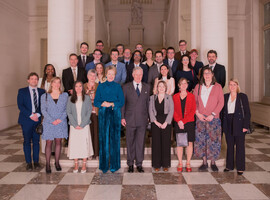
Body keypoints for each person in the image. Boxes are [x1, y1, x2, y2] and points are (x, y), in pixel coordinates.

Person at [94, 66, 125, 173]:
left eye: (113, 74)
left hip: (115, 112)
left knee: (115, 139)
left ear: (115, 75)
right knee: (103, 139)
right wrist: (103, 103)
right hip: (103, 113)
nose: (111, 76)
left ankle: (115, 165)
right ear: (106, 74)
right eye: (109, 74)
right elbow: (96, 102)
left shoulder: (118, 87)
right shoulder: (101, 86)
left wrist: (112, 103)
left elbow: (121, 102)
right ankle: (104, 165)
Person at [193, 67, 224, 172]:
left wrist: (213, 114)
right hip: (201, 118)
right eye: (205, 73)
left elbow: (221, 102)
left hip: (213, 118)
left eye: (209, 73)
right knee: (202, 141)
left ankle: (213, 162)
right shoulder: (198, 87)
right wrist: (198, 113)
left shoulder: (218, 87)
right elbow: (194, 102)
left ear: (212, 74)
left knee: (213, 140)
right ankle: (205, 162)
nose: (207, 75)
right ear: (202, 75)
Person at [121, 67, 150, 173]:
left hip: (142, 119)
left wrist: (149, 117)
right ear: (133, 75)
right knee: (130, 141)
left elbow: (148, 103)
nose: (138, 77)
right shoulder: (126, 87)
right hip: (129, 119)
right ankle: (130, 164)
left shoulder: (147, 87)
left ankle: (139, 164)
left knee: (140, 142)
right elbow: (122, 103)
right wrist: (122, 117)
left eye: (140, 75)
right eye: (136, 74)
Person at [17, 72, 45, 170]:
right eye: (32, 79)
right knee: (27, 141)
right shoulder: (22, 91)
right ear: (28, 80)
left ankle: (36, 162)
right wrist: (30, 115)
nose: (34, 80)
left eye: (36, 79)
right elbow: (20, 105)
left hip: (37, 120)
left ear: (38, 81)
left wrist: (38, 115)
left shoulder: (42, 91)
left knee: (36, 142)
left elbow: (43, 105)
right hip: (26, 120)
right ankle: (28, 162)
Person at [222, 79, 251, 175]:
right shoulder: (225, 96)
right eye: (230, 85)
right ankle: (229, 165)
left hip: (239, 123)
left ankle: (240, 167)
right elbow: (223, 112)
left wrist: (245, 126)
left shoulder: (242, 96)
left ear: (237, 86)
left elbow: (247, 113)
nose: (232, 87)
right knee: (229, 145)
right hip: (228, 123)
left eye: (234, 84)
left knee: (240, 146)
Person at [41, 77, 68, 173]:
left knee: (58, 142)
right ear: (51, 83)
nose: (57, 84)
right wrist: (52, 120)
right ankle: (48, 164)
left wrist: (59, 119)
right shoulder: (45, 96)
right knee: (49, 143)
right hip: (49, 122)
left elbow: (67, 109)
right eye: (55, 82)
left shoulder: (64, 95)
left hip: (61, 122)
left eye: (59, 82)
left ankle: (57, 162)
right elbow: (43, 110)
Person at [67, 81, 93, 173]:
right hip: (74, 126)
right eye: (76, 86)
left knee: (84, 144)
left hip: (84, 125)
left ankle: (84, 164)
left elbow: (89, 111)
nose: (78, 88)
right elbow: (68, 112)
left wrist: (82, 124)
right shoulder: (70, 98)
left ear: (83, 88)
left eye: (80, 86)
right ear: (74, 88)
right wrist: (75, 124)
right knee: (75, 144)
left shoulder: (86, 98)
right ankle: (76, 164)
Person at [149, 81, 174, 172]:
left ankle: (165, 164)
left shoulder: (169, 97)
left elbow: (171, 111)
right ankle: (156, 165)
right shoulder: (152, 98)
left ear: (165, 87)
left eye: (163, 86)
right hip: (155, 122)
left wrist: (166, 122)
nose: (161, 88)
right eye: (159, 86)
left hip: (166, 122)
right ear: (157, 87)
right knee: (156, 143)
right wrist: (155, 121)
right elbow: (150, 110)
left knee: (165, 143)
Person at [173, 78, 196, 172]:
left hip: (189, 122)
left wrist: (184, 121)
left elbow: (193, 110)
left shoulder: (191, 96)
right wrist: (179, 121)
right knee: (179, 143)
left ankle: (188, 162)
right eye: (181, 83)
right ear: (178, 85)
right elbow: (173, 110)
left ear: (187, 85)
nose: (183, 85)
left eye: (185, 83)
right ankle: (180, 162)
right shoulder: (174, 96)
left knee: (189, 143)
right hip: (178, 123)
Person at [38, 64, 56, 154]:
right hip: (44, 106)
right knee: (45, 126)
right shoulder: (41, 80)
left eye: (52, 69)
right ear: (45, 70)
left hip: (54, 106)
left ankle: (52, 149)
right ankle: (45, 149)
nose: (50, 71)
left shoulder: (56, 80)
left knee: (53, 126)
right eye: (48, 69)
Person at [84, 69, 99, 160]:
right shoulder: (83, 86)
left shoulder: (99, 86)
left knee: (96, 133)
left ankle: (96, 153)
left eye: (94, 76)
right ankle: (88, 153)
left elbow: (101, 98)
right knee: (88, 133)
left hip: (96, 112)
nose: (92, 78)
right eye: (91, 76)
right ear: (88, 76)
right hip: (86, 113)